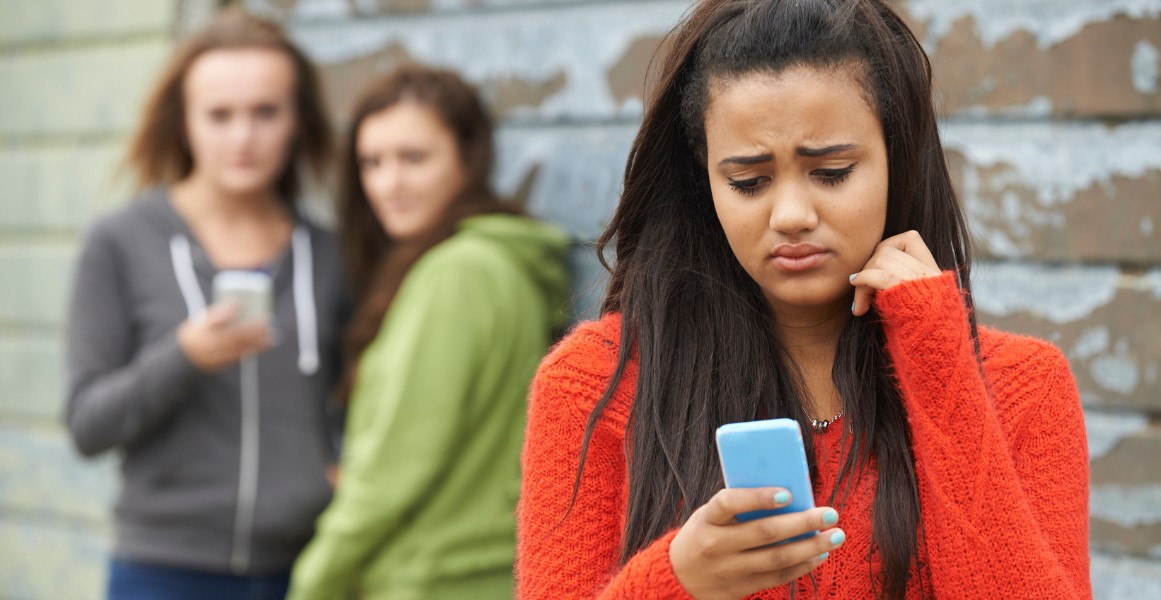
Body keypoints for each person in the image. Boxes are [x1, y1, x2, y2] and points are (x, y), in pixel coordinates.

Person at [516, 0, 1091, 598]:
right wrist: (675, 581)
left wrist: (940, 365)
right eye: (749, 182)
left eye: (832, 171)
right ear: (703, 183)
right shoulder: (594, 385)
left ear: (899, 159)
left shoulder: (1022, 388)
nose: (791, 215)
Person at [64, 9, 349, 599]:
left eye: (265, 112)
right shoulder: (118, 242)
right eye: (219, 115)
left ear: (297, 120)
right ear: (184, 123)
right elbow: (88, 425)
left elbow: (354, 403)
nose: (242, 138)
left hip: (304, 571)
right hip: (163, 571)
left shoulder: (331, 253)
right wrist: (183, 356)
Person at [287, 65, 570, 599]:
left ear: (468, 157)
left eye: (413, 158)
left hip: (430, 577)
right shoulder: (501, 259)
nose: (389, 183)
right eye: (372, 163)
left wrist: (312, 582)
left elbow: (394, 470)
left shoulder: (457, 272)